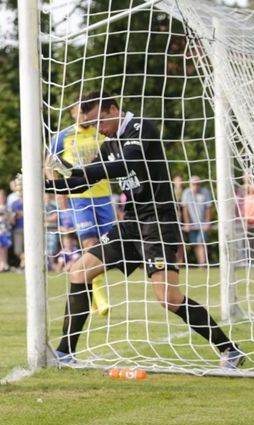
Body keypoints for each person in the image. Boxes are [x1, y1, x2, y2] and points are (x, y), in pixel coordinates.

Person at [46, 91, 245, 369]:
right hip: (130, 223)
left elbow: (123, 165)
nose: (96, 129)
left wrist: (78, 171)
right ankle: (64, 353)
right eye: (90, 126)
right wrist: (49, 183)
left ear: (113, 110)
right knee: (79, 271)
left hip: (158, 223)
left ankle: (229, 349)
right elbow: (82, 181)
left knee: (169, 299)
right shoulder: (108, 143)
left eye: (97, 122)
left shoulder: (141, 127)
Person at [48, 101, 114, 316]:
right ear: (73, 113)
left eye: (86, 111)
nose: (84, 115)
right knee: (90, 245)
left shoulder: (101, 131)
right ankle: (101, 298)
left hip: (103, 194)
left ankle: (95, 295)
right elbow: (49, 163)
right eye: (79, 111)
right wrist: (59, 191)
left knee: (109, 246)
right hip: (79, 198)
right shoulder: (63, 136)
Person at [181, 175, 213, 266]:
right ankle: (200, 263)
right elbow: (185, 208)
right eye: (194, 184)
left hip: (203, 223)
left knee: (201, 242)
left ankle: (202, 263)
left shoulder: (205, 192)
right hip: (192, 224)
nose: (196, 186)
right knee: (195, 243)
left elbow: (208, 208)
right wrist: (187, 223)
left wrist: (208, 222)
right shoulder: (187, 193)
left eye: (198, 184)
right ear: (190, 184)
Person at [6, 179, 24, 269]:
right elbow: (12, 217)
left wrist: (19, 214)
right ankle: (24, 262)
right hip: (17, 228)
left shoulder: (30, 202)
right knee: (17, 250)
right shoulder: (14, 203)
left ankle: (23, 265)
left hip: (29, 229)